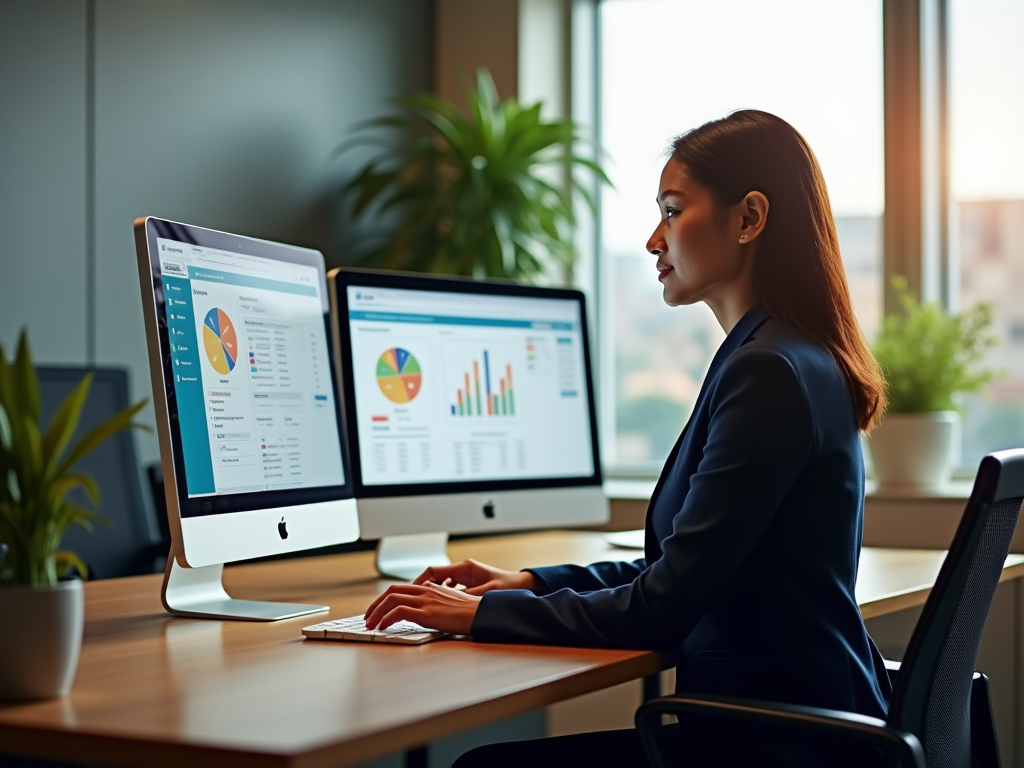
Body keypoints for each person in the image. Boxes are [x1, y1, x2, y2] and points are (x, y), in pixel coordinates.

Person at [364, 110, 892, 767]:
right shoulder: (784, 354)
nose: (652, 239)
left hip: (775, 745)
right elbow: (681, 568)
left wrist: (476, 615)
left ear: (749, 218)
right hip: (802, 725)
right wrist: (524, 582)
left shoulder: (769, 372)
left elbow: (661, 609)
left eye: (672, 211)